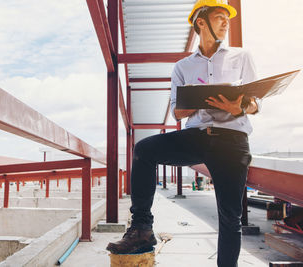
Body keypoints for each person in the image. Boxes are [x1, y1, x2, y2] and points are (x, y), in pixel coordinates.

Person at [106, 1, 260, 266]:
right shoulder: (182, 67)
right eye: (220, 17)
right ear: (201, 22)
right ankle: (142, 228)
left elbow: (256, 104)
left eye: (227, 18)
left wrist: (240, 106)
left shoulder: (242, 57)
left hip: (232, 141)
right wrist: (201, 100)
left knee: (230, 217)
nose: (226, 22)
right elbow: (177, 112)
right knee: (143, 150)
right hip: (197, 136)